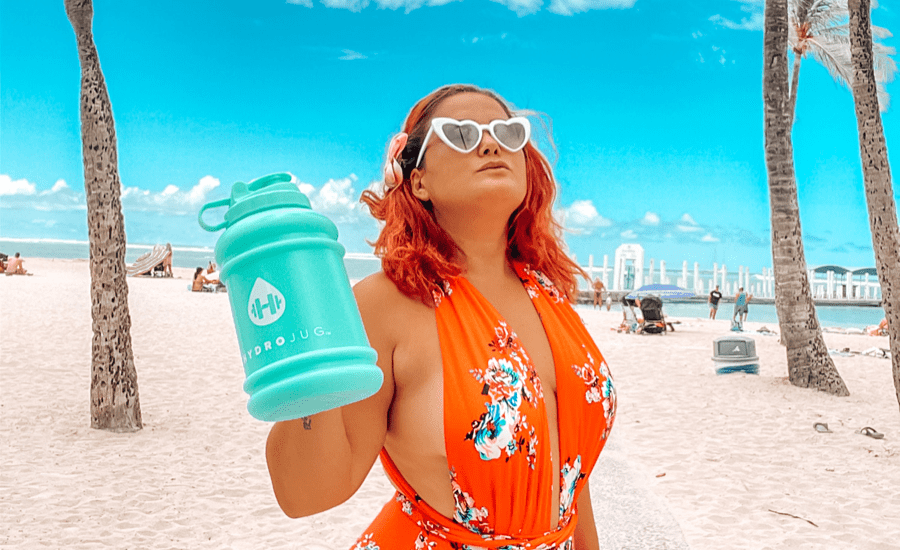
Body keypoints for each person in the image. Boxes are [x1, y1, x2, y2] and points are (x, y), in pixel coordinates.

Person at [265, 85, 616, 549]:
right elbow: (305, 495)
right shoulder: (388, 303)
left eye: (508, 133)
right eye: (462, 134)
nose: (490, 144)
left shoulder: (548, 293)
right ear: (417, 180)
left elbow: (571, 469)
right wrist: (304, 353)